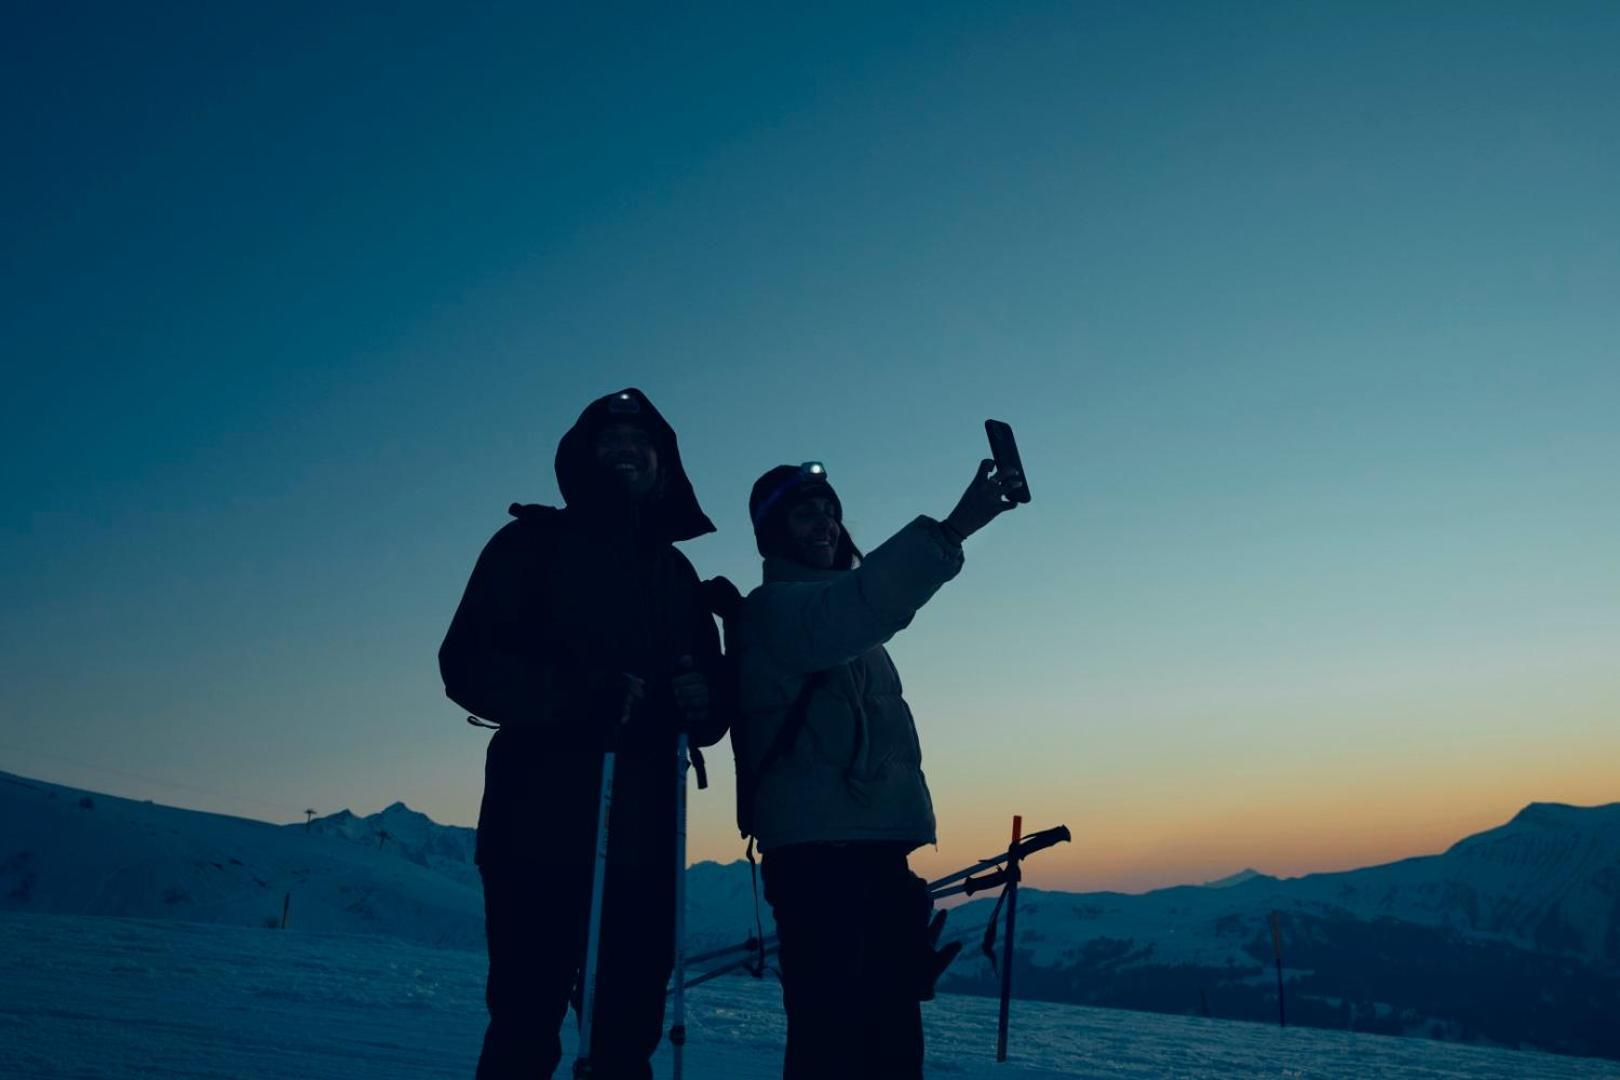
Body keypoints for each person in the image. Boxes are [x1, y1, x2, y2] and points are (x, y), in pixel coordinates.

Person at [438, 388, 730, 1080]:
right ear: (581, 458)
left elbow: (711, 708)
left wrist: (705, 702)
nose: (628, 454)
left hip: (646, 834)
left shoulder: (676, 573)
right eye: (611, 443)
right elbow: (466, 664)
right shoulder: (529, 545)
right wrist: (578, 695)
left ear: (666, 465)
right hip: (535, 824)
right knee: (524, 1022)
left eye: (643, 445)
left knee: (626, 1034)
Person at [729, 454, 1020, 1079]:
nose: (826, 523)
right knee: (831, 1041)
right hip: (815, 860)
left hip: (879, 855)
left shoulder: (843, 620)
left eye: (831, 511)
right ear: (772, 533)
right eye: (806, 513)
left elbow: (857, 609)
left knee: (891, 1042)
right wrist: (953, 530)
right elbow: (858, 606)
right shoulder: (772, 612)